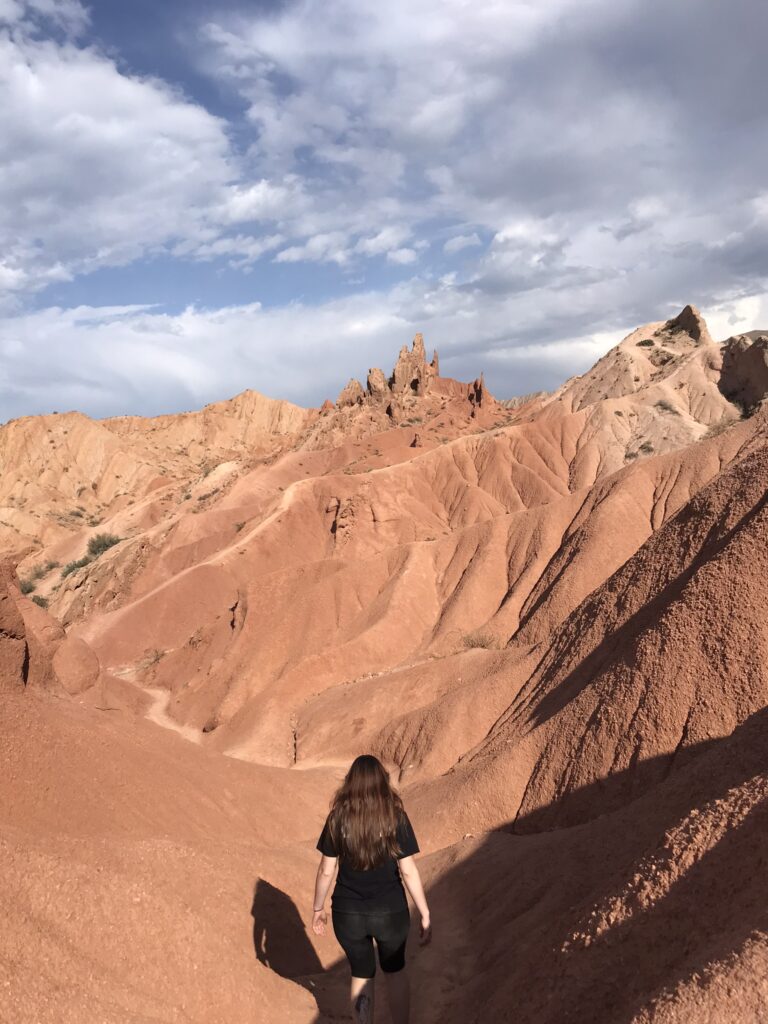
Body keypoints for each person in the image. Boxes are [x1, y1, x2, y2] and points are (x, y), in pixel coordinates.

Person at [311, 754, 431, 1024]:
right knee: (395, 970)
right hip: (390, 912)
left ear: (350, 783)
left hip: (348, 912)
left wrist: (318, 908)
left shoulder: (338, 819)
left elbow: (326, 870)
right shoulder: (394, 817)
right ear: (382, 782)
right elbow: (408, 869)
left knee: (361, 974)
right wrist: (424, 912)